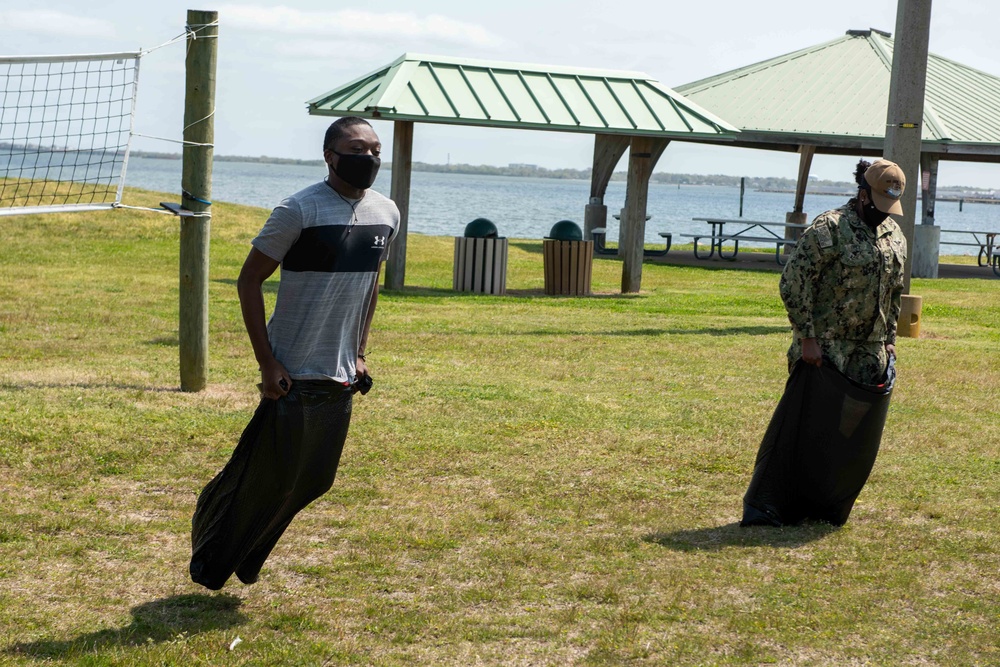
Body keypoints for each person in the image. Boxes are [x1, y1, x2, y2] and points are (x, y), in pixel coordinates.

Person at [189, 116, 399, 589]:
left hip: (341, 371)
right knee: (269, 477)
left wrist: (360, 352)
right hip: (291, 372)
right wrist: (267, 363)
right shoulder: (297, 210)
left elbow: (371, 285)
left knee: (313, 480)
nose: (367, 158)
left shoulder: (387, 213)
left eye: (374, 150)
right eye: (355, 149)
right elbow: (249, 280)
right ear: (330, 156)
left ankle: (246, 556)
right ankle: (215, 556)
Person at [778, 159, 907, 385]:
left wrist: (889, 339)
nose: (885, 213)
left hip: (870, 350)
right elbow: (794, 283)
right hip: (826, 348)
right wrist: (807, 337)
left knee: (858, 419)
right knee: (814, 418)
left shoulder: (894, 235)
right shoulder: (830, 227)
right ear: (864, 196)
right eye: (881, 204)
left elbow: (894, 290)